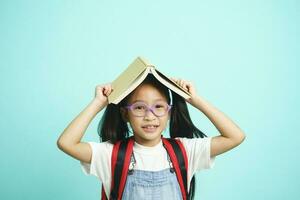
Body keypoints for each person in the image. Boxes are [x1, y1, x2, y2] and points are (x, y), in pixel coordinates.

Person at [57, 74, 246, 200]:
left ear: (169, 112)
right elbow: (66, 143)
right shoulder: (110, 155)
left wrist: (194, 100)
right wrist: (99, 102)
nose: (150, 116)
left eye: (158, 107)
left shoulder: (185, 151)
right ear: (125, 114)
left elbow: (235, 136)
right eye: (139, 107)